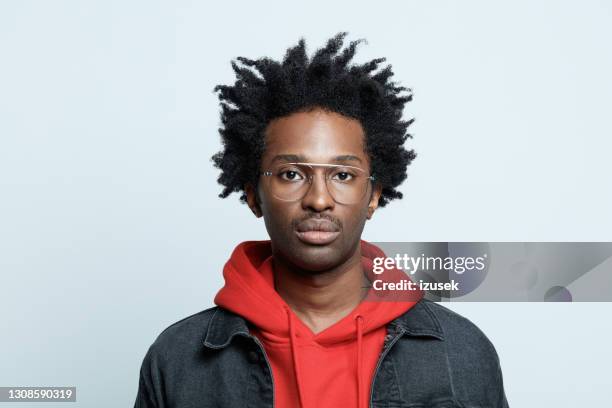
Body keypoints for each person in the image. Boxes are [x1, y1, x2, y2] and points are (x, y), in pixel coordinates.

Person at [134, 32, 509, 408]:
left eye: (343, 176)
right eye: (291, 174)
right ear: (253, 195)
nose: (318, 199)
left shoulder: (463, 353)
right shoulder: (177, 360)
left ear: (373, 196)